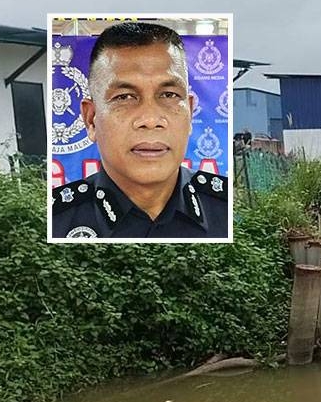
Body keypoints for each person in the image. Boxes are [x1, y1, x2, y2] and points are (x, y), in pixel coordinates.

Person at [52, 22, 227, 239]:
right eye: (124, 97)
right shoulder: (55, 221)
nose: (151, 120)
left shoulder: (228, 211)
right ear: (91, 120)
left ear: (190, 113)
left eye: (169, 95)